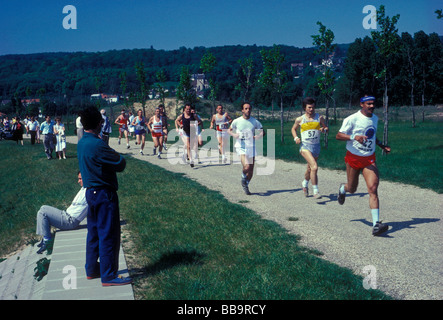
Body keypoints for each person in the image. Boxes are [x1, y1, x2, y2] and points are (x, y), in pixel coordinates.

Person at [77, 106, 131, 286]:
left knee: (93, 233)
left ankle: (92, 269)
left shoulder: (82, 142)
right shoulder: (98, 144)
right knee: (108, 233)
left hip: (90, 193)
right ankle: (109, 275)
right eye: (101, 121)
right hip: (104, 194)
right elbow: (120, 163)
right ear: (98, 123)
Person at [336, 95, 391, 236]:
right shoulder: (352, 119)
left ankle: (376, 224)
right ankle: (343, 189)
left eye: (373, 104)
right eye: (369, 104)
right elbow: (339, 135)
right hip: (353, 158)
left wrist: (381, 145)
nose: (372, 106)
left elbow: (371, 136)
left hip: (369, 158)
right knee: (352, 188)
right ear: (362, 104)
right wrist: (354, 137)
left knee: (373, 188)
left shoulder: (375, 119)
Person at [35, 172, 88, 254]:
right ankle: (45, 237)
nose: (78, 181)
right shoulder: (84, 188)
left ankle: (47, 240)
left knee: (43, 212)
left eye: (80, 179)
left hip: (70, 221)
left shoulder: (89, 192)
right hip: (66, 215)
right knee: (43, 208)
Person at [291, 97, 328, 199]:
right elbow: (293, 129)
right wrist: (296, 138)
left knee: (309, 169)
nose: (311, 109)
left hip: (316, 146)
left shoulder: (319, 117)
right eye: (309, 107)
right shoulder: (300, 119)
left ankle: (304, 183)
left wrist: (324, 129)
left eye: (313, 107)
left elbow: (325, 128)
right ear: (305, 108)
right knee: (314, 167)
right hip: (305, 146)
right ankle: (316, 191)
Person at [228, 102, 265, 195]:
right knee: (247, 166)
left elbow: (263, 131)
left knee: (251, 171)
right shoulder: (237, 121)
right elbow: (229, 130)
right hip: (241, 147)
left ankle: (246, 184)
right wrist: (234, 134)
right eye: (246, 108)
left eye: (249, 109)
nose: (248, 110)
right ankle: (243, 177)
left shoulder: (254, 121)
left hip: (251, 146)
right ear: (242, 110)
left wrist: (258, 136)